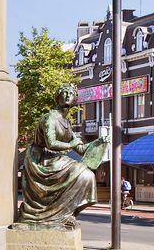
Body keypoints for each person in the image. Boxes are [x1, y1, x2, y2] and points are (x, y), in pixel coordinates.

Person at [18, 84, 107, 228]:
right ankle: (55, 215)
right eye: (63, 93)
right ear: (58, 97)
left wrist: (99, 142)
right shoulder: (50, 118)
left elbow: (81, 149)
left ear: (74, 100)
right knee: (82, 173)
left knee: (88, 176)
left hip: (54, 159)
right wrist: (71, 144)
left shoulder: (66, 123)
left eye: (70, 93)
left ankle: (68, 214)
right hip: (40, 160)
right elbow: (51, 143)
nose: (67, 95)